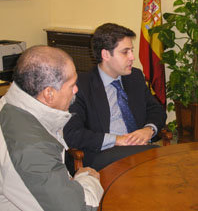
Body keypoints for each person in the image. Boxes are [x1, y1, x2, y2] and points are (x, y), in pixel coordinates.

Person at [0, 45, 103, 211]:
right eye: (72, 85)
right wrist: (88, 179)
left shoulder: (10, 105)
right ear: (49, 94)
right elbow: (78, 208)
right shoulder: (31, 147)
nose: (76, 89)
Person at [63, 23, 167, 171]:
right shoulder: (82, 86)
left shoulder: (135, 77)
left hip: (138, 150)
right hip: (102, 155)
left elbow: (156, 110)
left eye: (132, 51)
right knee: (158, 157)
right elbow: (73, 134)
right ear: (105, 55)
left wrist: (148, 130)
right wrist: (118, 140)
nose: (132, 57)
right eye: (125, 52)